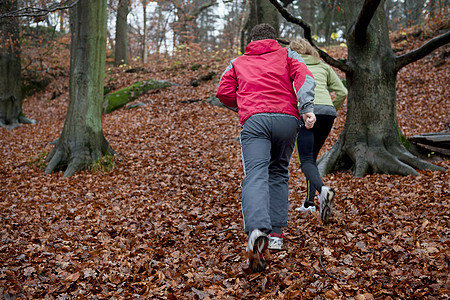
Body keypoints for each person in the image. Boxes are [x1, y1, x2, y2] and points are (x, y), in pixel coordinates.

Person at [216, 24, 316, 273]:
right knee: (279, 172)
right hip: (286, 120)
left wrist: (245, 108)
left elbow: (223, 92)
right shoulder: (288, 54)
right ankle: (276, 235)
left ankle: (258, 230)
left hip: (255, 122)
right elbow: (305, 76)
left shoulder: (237, 62)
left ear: (251, 41)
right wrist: (307, 108)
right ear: (273, 39)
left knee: (256, 175)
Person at [289, 38, 348, 223]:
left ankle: (323, 191)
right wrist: (331, 109)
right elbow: (343, 92)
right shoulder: (323, 66)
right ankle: (309, 203)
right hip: (327, 114)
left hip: (305, 113)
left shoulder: (291, 66)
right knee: (311, 160)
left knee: (305, 160)